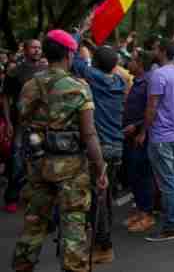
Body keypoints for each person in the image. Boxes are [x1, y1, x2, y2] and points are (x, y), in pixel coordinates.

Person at [11, 30, 109, 272]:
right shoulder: (78, 88)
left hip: (38, 165)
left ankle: (22, 266)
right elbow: (89, 134)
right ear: (69, 54)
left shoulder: (30, 85)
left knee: (34, 223)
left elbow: (22, 118)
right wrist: (100, 168)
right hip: (71, 168)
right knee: (74, 226)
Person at [71, 36, 127, 263]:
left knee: (97, 198)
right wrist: (96, 50)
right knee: (105, 196)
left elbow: (74, 60)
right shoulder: (119, 82)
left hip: (100, 147)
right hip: (116, 146)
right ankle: (102, 240)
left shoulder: (93, 78)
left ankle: (103, 245)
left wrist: (79, 33)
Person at [138, 40, 174, 242]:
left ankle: (171, 226)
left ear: (162, 52)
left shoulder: (158, 75)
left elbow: (151, 108)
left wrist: (143, 131)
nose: (153, 50)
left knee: (168, 182)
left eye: (156, 48)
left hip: (161, 136)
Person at [2, 38, 45, 213]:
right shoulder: (14, 72)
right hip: (20, 124)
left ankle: (33, 198)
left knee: (39, 161)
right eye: (33, 47)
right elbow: (5, 97)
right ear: (25, 50)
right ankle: (12, 197)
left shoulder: (46, 71)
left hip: (39, 125)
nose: (37, 50)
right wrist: (8, 122)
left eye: (39, 48)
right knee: (17, 160)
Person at [123, 49, 157, 234]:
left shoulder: (149, 82)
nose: (129, 63)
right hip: (130, 135)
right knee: (134, 174)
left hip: (140, 135)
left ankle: (147, 214)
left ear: (140, 64)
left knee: (143, 175)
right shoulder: (137, 81)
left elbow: (151, 109)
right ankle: (140, 210)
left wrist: (138, 128)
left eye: (132, 60)